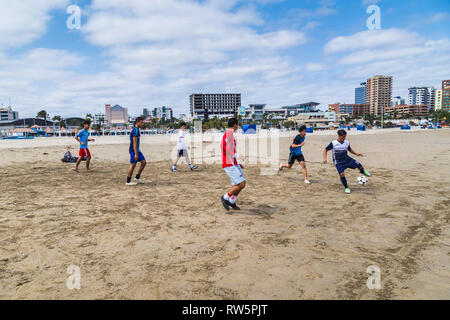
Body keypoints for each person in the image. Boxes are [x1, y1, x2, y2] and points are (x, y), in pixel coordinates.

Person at [323, 129, 371, 194]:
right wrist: (325, 158)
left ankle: (363, 172)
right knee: (341, 174)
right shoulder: (333, 143)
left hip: (346, 159)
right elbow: (325, 150)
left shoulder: (347, 142)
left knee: (359, 165)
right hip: (338, 161)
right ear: (339, 136)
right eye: (343, 137)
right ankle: (346, 187)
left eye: (345, 136)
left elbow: (349, 149)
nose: (344, 138)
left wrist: (356, 153)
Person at [221, 118, 245, 211]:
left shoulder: (230, 134)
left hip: (233, 163)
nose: (238, 126)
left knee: (241, 184)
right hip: (228, 164)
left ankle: (231, 201)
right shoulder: (229, 133)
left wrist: (237, 162)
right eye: (237, 124)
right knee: (241, 184)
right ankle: (225, 197)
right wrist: (236, 154)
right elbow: (224, 147)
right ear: (234, 124)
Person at [126, 117, 147, 186]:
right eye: (141, 122)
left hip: (137, 150)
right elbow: (134, 142)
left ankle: (137, 178)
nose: (142, 124)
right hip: (133, 150)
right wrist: (135, 154)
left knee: (143, 162)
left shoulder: (137, 129)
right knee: (132, 165)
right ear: (137, 122)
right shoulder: (135, 130)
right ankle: (128, 181)